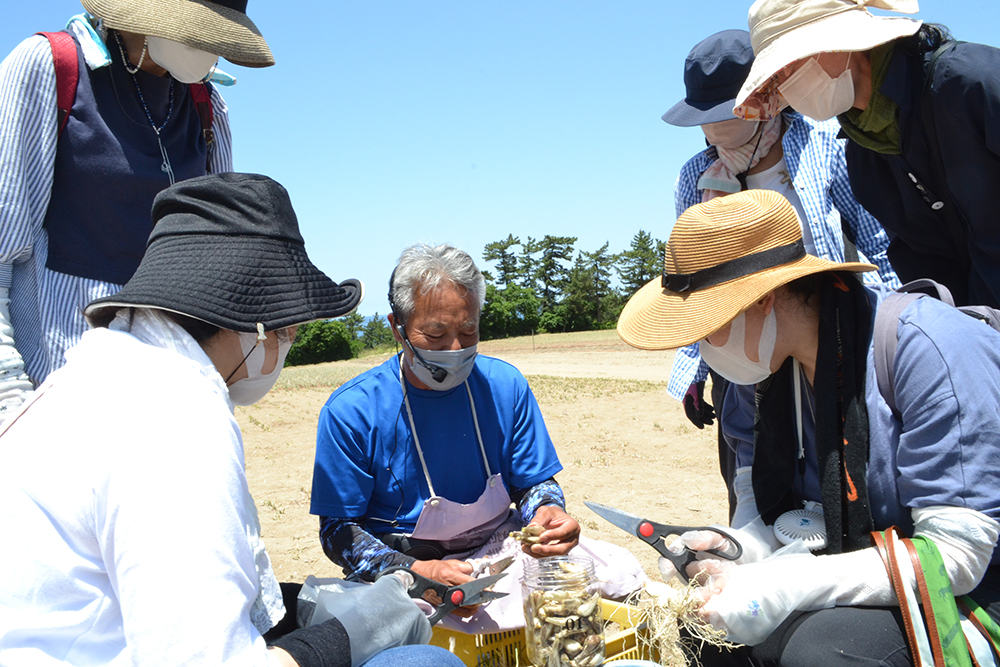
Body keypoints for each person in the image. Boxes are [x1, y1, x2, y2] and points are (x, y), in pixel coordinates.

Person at [0, 173, 464, 667]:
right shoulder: (174, 421)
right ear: (252, 325)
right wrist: (348, 634)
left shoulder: (96, 377)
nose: (286, 344)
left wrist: (309, 608)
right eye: (288, 330)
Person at [617, 189, 1000, 665]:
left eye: (704, 327)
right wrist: (736, 547)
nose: (700, 346)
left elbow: (959, 556)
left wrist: (787, 583)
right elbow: (772, 501)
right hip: (847, 564)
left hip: (971, 594)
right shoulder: (756, 370)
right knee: (706, 632)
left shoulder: (932, 349)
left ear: (763, 300)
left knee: (820, 651)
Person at [310, 243, 644, 631]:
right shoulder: (353, 410)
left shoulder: (505, 385)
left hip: (504, 551)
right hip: (408, 569)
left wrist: (546, 512)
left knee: (613, 579)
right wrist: (417, 570)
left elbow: (534, 482)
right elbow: (338, 532)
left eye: (468, 331)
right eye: (434, 334)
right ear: (397, 329)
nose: (455, 348)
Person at [661, 28, 898, 518]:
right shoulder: (695, 177)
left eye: (727, 113)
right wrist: (694, 367)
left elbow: (875, 241)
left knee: (841, 472)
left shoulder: (823, 147)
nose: (718, 130)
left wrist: (890, 332)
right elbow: (693, 279)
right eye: (706, 121)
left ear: (765, 96)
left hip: (830, 339)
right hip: (743, 347)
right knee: (754, 482)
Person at [0, 0, 272, 420]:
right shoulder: (49, 68)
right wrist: (9, 399)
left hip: (175, 398)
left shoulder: (207, 106)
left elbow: (220, 259)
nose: (210, 47)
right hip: (60, 395)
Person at [733, 0, 1000, 309]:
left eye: (789, 63)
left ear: (837, 39)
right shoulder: (864, 155)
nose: (785, 82)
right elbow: (925, 265)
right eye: (777, 76)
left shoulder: (972, 83)